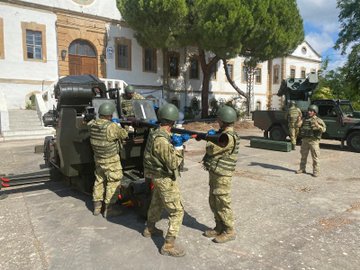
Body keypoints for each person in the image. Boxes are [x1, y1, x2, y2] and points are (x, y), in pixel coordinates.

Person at [142, 103, 186, 257]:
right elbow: (173, 163)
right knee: (177, 211)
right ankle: (168, 245)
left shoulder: (155, 132)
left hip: (156, 176)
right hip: (163, 178)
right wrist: (179, 147)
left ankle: (150, 228)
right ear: (173, 122)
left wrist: (172, 141)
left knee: (157, 202)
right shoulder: (161, 140)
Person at [202, 105, 240, 243]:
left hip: (223, 176)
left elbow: (211, 149)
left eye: (219, 119)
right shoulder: (222, 133)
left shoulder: (228, 137)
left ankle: (229, 231)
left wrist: (208, 139)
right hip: (216, 172)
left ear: (223, 120)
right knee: (214, 201)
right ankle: (219, 227)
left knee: (223, 202)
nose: (217, 121)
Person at [87, 102, 128, 217]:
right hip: (111, 159)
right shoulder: (112, 126)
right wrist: (125, 126)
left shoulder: (92, 124)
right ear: (110, 115)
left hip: (98, 158)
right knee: (114, 181)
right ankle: (109, 209)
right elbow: (124, 135)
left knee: (99, 179)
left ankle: (97, 206)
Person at [296, 104, 326, 177]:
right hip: (305, 140)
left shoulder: (318, 120)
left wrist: (318, 125)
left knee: (315, 157)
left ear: (315, 112)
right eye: (308, 110)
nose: (309, 112)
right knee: (303, 156)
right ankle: (302, 169)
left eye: (311, 111)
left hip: (314, 141)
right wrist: (299, 120)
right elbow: (298, 125)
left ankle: (316, 171)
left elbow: (324, 129)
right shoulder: (304, 119)